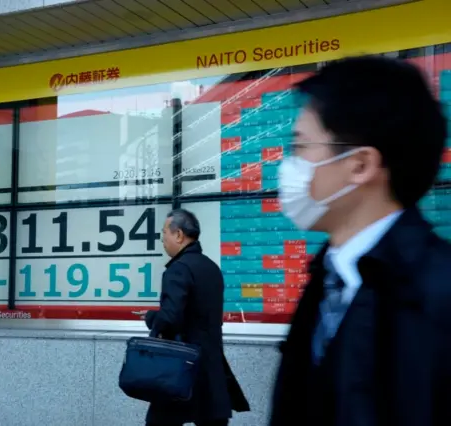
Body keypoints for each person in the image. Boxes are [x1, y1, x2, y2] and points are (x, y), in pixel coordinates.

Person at [270, 56, 451, 426]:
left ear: (361, 165)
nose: (289, 165)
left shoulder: (439, 294)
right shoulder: (327, 277)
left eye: (301, 147)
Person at [142, 209, 249, 426]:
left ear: (179, 235)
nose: (162, 238)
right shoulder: (211, 268)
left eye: (165, 232)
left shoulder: (178, 269)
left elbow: (171, 318)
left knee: (159, 421)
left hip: (181, 368)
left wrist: (152, 318)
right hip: (211, 369)